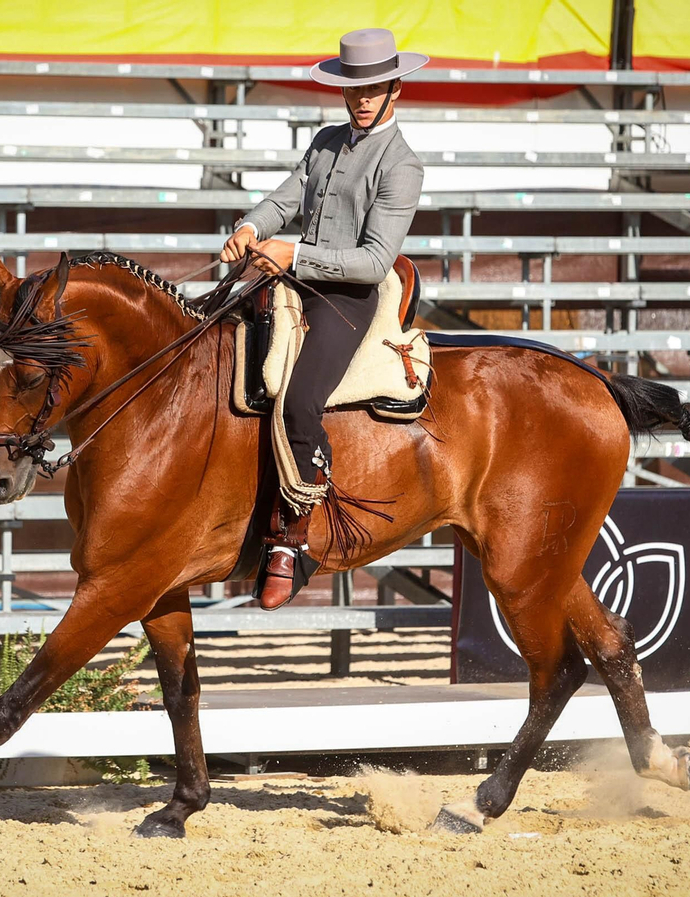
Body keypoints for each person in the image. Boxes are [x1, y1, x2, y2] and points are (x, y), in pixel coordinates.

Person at [220, 27, 428, 611]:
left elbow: (373, 262)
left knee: (299, 399)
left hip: (349, 298)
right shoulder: (326, 141)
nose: (362, 98)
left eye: (374, 88)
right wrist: (251, 228)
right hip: (294, 279)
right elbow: (287, 198)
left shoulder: (403, 165)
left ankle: (292, 538)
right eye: (354, 88)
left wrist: (293, 254)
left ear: (395, 90)